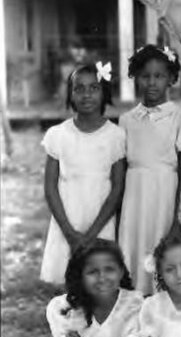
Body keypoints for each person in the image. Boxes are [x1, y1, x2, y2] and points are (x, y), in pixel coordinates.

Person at [118, 45, 181, 295]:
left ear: (171, 79)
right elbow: (121, 170)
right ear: (135, 78)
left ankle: (161, 307)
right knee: (133, 249)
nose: (152, 83)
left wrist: (179, 218)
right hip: (135, 198)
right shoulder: (126, 120)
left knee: (160, 247)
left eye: (159, 76)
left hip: (164, 197)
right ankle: (134, 302)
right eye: (145, 76)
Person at [41, 63, 126, 285]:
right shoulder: (58, 135)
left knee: (98, 280)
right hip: (67, 219)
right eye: (79, 88)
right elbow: (50, 188)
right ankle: (68, 318)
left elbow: (117, 188)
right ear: (70, 94)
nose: (86, 94)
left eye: (94, 88)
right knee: (69, 281)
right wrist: (70, 233)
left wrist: (91, 235)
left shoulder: (115, 136)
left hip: (100, 220)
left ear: (104, 93)